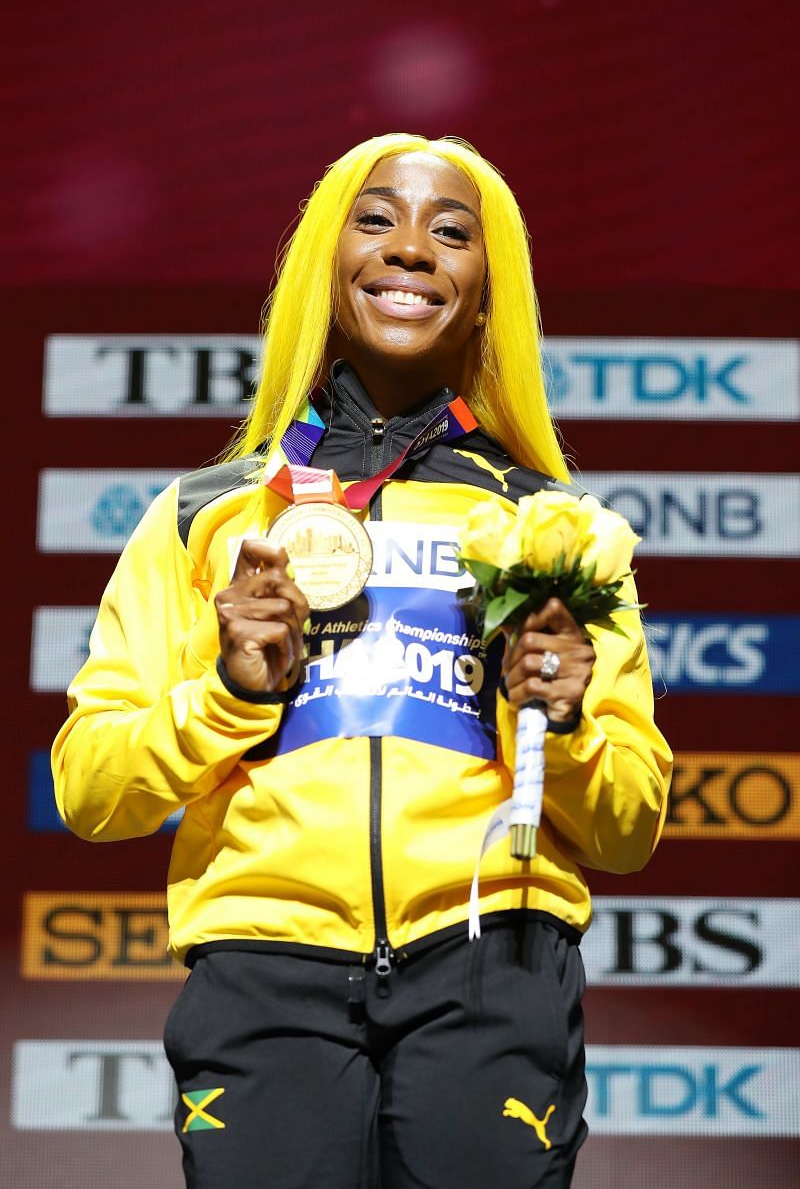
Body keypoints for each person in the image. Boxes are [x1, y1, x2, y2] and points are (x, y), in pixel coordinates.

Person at [52, 134, 672, 1189]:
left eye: (451, 233)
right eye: (377, 220)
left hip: (493, 962)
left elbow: (624, 831)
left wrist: (561, 730)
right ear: (321, 267)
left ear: (487, 291)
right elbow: (89, 790)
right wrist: (229, 694)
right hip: (262, 966)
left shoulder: (557, 530)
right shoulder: (207, 515)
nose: (413, 251)